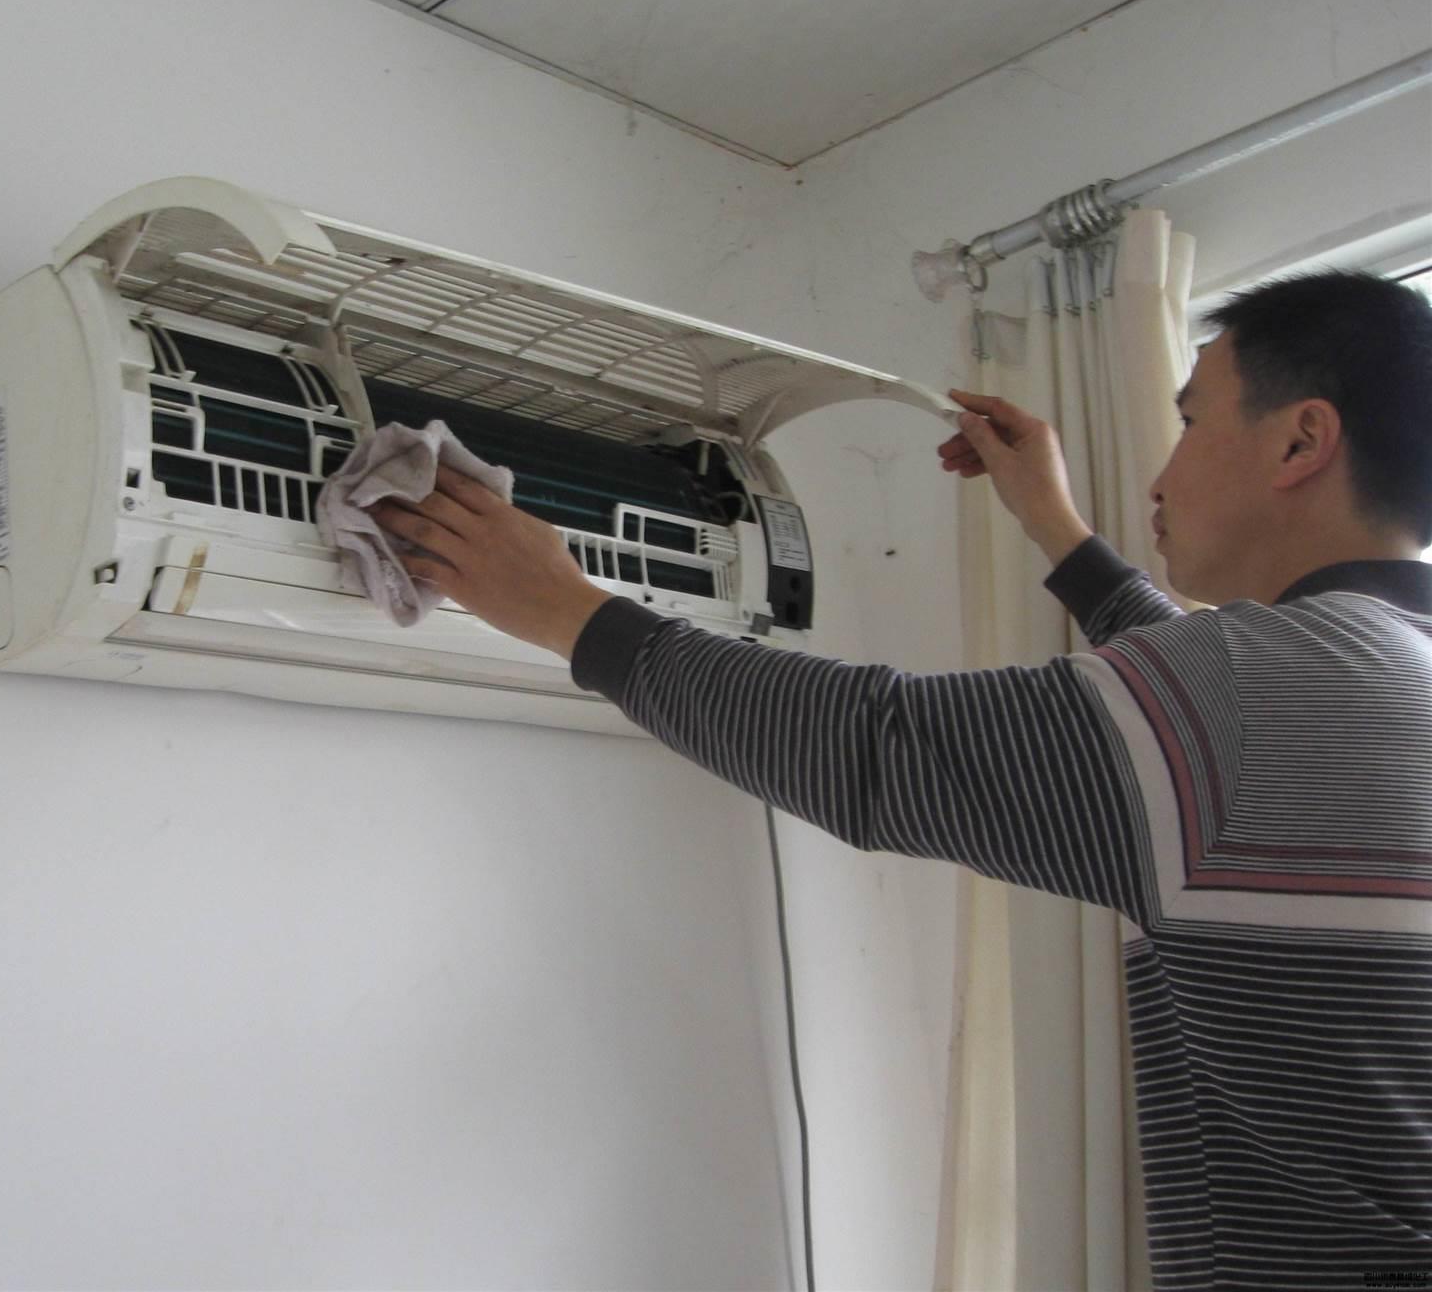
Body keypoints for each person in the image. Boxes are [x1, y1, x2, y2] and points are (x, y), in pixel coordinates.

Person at [367, 268, 1432, 1285]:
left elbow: (873, 746)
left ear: (1302, 440)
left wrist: (569, 612)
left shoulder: (1241, 698)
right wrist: (1052, 523)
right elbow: (1208, 738)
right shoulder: (1375, 676)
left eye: (1192, 421)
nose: (1164, 470)